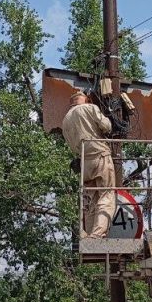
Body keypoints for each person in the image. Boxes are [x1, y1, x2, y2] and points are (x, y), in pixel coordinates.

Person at [62, 91, 115, 238]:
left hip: (84, 162)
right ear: (84, 99)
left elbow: (71, 145)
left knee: (91, 199)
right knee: (106, 194)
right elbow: (107, 126)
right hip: (100, 155)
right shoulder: (90, 108)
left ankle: (90, 233)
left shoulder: (65, 120)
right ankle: (98, 234)